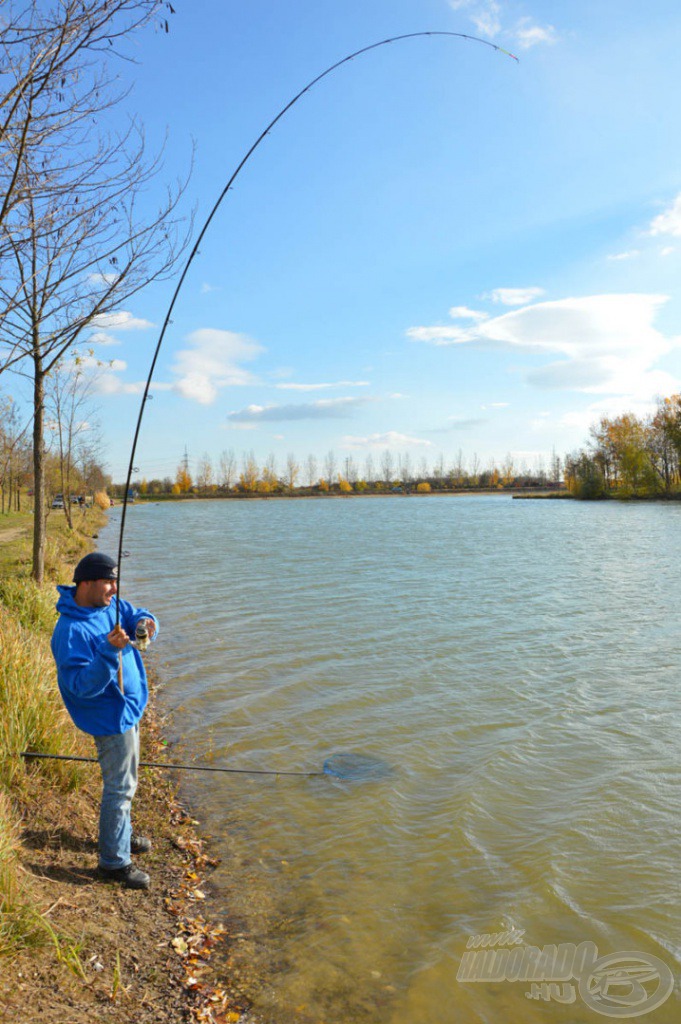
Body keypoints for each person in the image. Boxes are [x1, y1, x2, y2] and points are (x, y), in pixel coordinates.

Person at [51, 552, 158, 890]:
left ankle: (119, 836)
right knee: (120, 787)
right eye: (109, 582)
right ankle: (113, 862)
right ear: (86, 583)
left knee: (128, 782)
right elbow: (82, 687)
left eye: (116, 582)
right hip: (111, 719)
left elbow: (134, 612)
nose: (114, 589)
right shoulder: (69, 632)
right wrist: (109, 652)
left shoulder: (109, 606)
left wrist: (145, 623)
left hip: (129, 709)